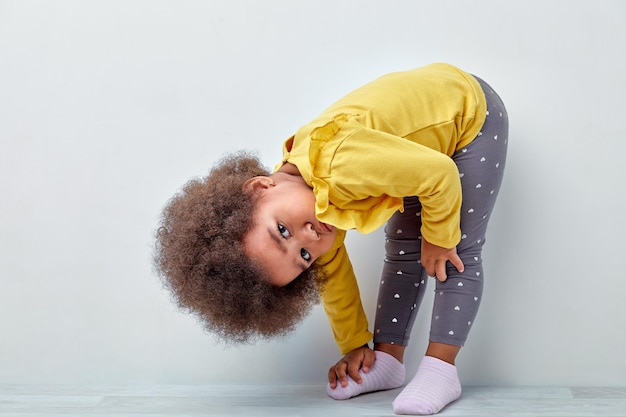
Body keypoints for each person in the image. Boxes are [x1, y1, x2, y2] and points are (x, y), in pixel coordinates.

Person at [154, 62, 508, 415]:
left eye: (282, 231)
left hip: (471, 114)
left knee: (454, 248)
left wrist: (440, 237)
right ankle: (386, 361)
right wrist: (355, 346)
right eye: (304, 257)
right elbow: (335, 281)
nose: (309, 239)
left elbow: (439, 173)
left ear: (260, 187)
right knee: (403, 252)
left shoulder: (341, 165)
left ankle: (441, 369)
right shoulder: (313, 212)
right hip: (419, 159)